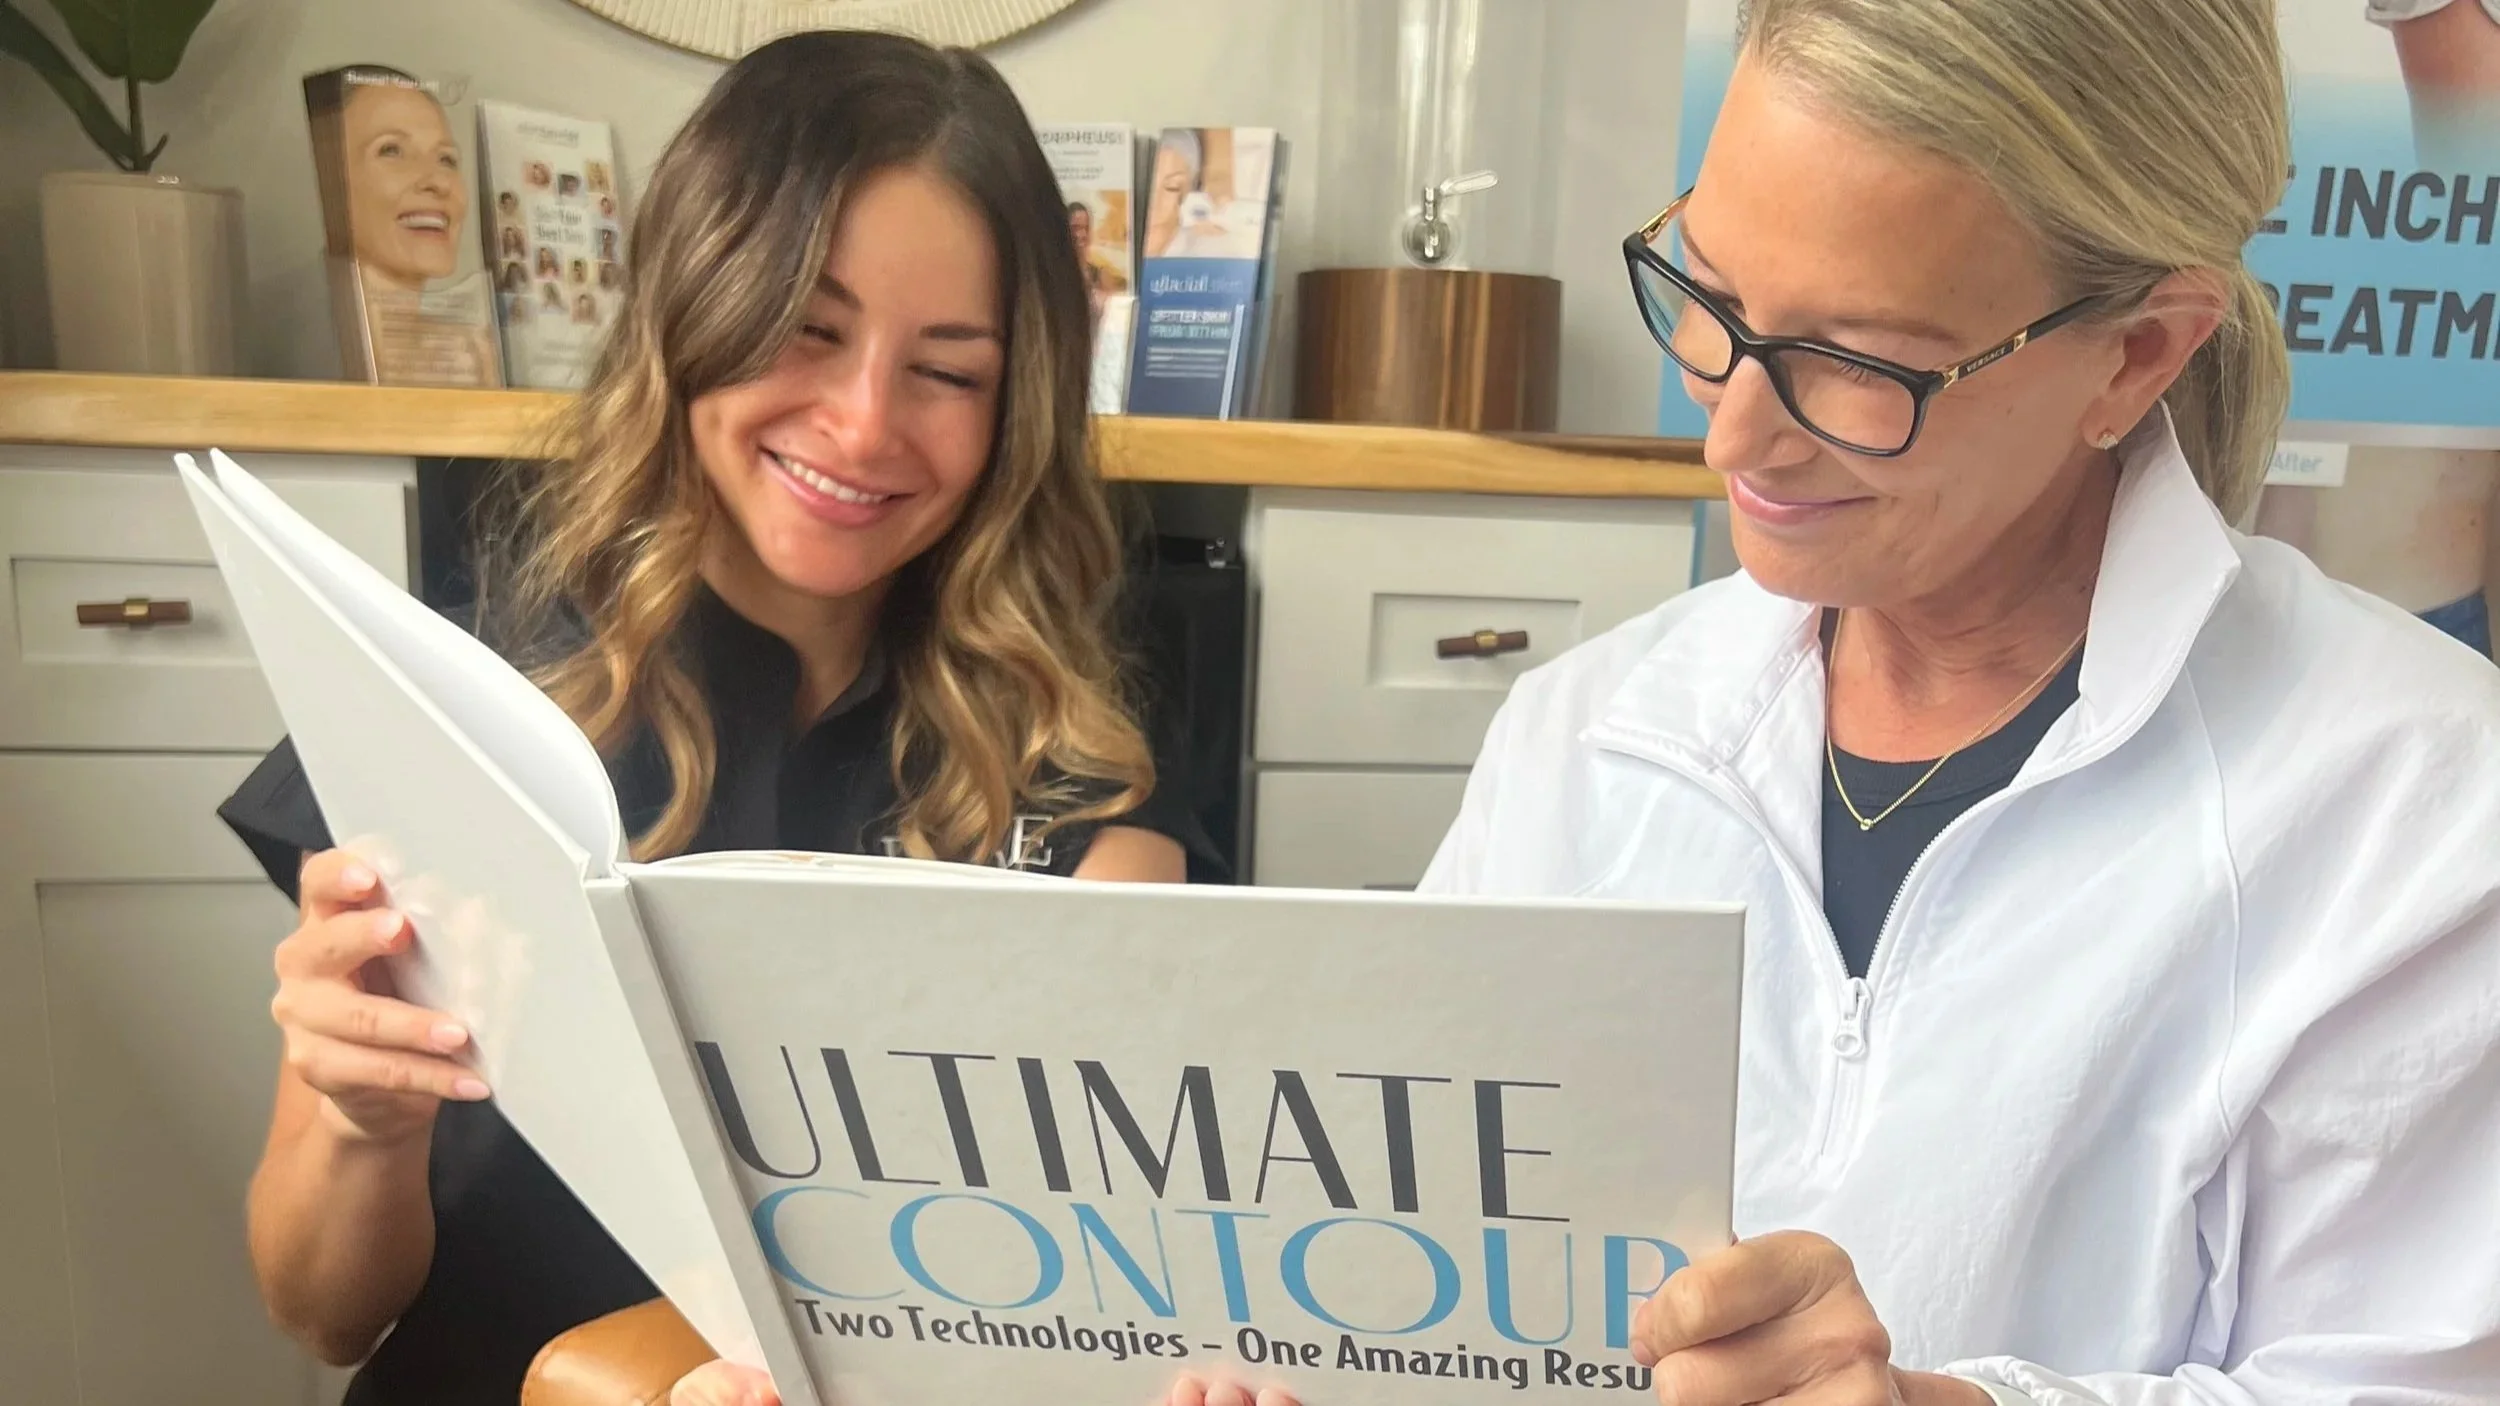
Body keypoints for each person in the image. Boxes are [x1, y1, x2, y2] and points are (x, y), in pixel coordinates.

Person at [1406, 1, 2500, 1404]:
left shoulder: (2411, 806)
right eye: (1712, 291)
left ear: (2140, 354)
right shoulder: (1581, 740)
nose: (1730, 431)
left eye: (1857, 364)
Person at [224, 29, 1222, 1406]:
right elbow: (323, 1308)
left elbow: (1089, 1318)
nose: (866, 425)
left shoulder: (1078, 789)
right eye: (807, 331)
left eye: (950, 370)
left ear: (1017, 406)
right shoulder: (458, 708)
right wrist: (358, 1116)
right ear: (694, 304)